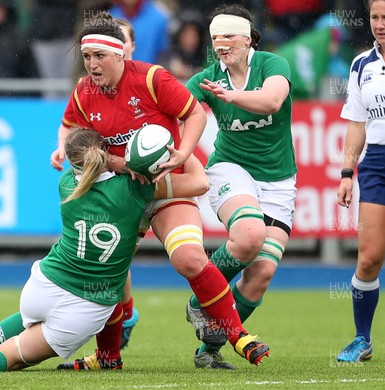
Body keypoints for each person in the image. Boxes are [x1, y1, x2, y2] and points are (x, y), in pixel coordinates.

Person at [0, 127, 210, 373]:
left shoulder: (68, 184)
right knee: (12, 359)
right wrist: (179, 150)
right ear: (108, 153)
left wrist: (114, 161)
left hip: (45, 284)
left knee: (25, 323)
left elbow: (85, 159)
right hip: (86, 307)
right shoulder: (138, 188)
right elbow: (199, 182)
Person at [50, 14, 270, 370]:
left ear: (120, 54)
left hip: (164, 188)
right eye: (86, 56)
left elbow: (194, 113)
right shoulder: (84, 91)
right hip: (122, 193)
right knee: (109, 279)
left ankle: (237, 335)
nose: (91, 64)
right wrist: (62, 148)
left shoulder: (152, 78)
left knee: (189, 259)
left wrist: (184, 153)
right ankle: (108, 358)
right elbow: (70, 126)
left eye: (98, 56)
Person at [183, 4, 296, 369]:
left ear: (247, 38)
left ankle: (210, 348)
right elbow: (175, 111)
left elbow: (273, 100)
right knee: (249, 236)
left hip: (278, 182)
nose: (221, 44)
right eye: (215, 37)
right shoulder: (207, 78)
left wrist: (231, 97)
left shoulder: (271, 65)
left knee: (261, 274)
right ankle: (201, 300)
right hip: (230, 169)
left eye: (229, 35)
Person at [336, 0, 385, 363]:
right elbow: (356, 122)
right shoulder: (360, 64)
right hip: (377, 164)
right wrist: (347, 173)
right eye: (374, 17)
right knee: (368, 259)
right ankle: (362, 339)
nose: (379, 24)